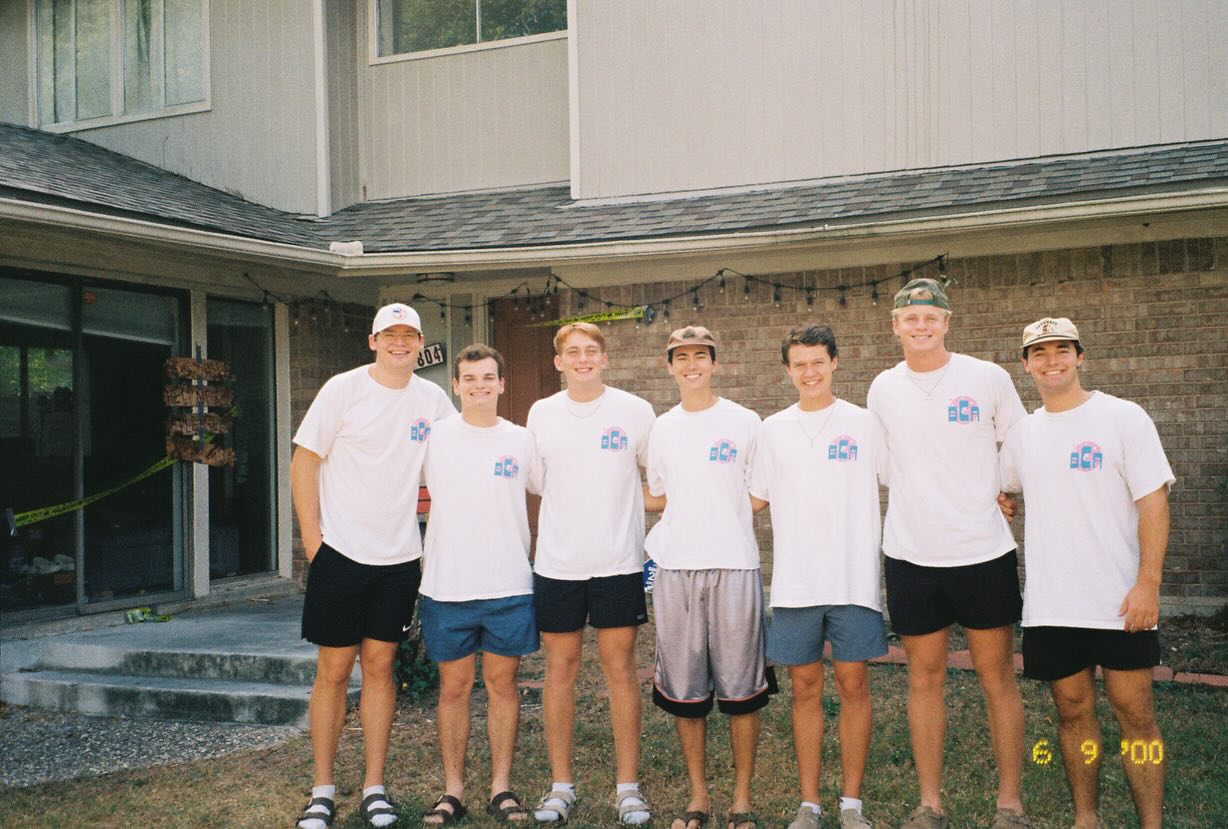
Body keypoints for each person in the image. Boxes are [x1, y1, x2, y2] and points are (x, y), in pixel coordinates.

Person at [865, 278, 1032, 829]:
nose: (920, 326)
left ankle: (1009, 803)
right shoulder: (883, 388)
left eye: (930, 317)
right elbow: (885, 466)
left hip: (983, 552)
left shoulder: (987, 377)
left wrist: (1007, 489)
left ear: (946, 321)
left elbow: (1020, 444)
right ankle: (929, 803)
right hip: (912, 554)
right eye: (909, 318)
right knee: (923, 678)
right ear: (895, 326)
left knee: (997, 677)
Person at [1000, 318, 1172, 829]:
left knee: (1135, 715)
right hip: (1053, 606)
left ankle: (1151, 824)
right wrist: (1002, 499)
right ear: (1026, 364)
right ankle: (1086, 818)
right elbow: (1003, 486)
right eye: (1039, 352)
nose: (1051, 360)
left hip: (1120, 600)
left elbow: (1154, 502)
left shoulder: (1123, 418)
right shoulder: (1024, 433)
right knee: (1073, 715)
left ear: (1081, 356)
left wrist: (1149, 583)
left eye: (1061, 349)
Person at [290, 302, 456, 829]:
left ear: (419, 342)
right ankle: (322, 792)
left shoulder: (432, 400)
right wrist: (313, 542)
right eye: (391, 335)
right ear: (373, 341)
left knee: (381, 670)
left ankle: (374, 789)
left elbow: (461, 456)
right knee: (333, 671)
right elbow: (304, 460)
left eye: (409, 335)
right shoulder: (343, 389)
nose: (400, 343)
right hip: (340, 554)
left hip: (400, 558)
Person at [748, 323, 888, 829]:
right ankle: (809, 803)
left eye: (818, 362)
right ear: (788, 370)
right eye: (799, 364)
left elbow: (912, 477)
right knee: (805, 689)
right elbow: (752, 500)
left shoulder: (865, 424)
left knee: (853, 684)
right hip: (795, 583)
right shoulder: (772, 429)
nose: (810, 372)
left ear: (834, 363)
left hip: (853, 579)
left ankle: (852, 804)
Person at [526, 323, 656, 825]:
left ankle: (628, 788)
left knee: (621, 671)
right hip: (558, 565)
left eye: (591, 352)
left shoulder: (635, 411)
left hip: (618, 562)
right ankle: (561, 786)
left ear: (605, 359)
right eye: (572, 353)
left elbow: (657, 478)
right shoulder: (541, 413)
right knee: (559, 672)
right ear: (558, 363)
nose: (582, 359)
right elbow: (537, 482)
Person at [645, 325, 770, 829]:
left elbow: (759, 495)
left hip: (735, 565)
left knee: (741, 690)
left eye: (700, 355)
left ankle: (741, 799)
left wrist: (720, 514)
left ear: (715, 362)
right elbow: (660, 492)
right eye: (682, 357)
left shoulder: (744, 421)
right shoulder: (663, 426)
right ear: (670, 366)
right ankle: (698, 796)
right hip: (675, 567)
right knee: (686, 691)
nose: (691, 364)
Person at [418, 344, 540, 826]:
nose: (480, 386)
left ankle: (501, 788)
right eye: (470, 379)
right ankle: (452, 791)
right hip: (447, 584)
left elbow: (557, 489)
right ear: (456, 385)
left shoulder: (522, 440)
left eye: (488, 377)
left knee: (503, 685)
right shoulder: (434, 437)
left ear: (502, 384)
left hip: (509, 581)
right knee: (454, 688)